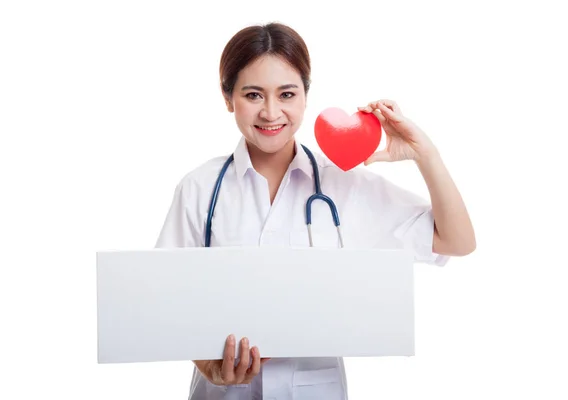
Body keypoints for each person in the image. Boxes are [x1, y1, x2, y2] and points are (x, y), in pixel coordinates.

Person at [155, 22, 475, 400]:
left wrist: (426, 155)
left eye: (286, 94)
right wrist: (209, 367)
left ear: (305, 96)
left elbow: (455, 241)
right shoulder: (199, 188)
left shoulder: (343, 184)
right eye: (253, 94)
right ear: (228, 99)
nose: (271, 112)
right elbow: (166, 300)